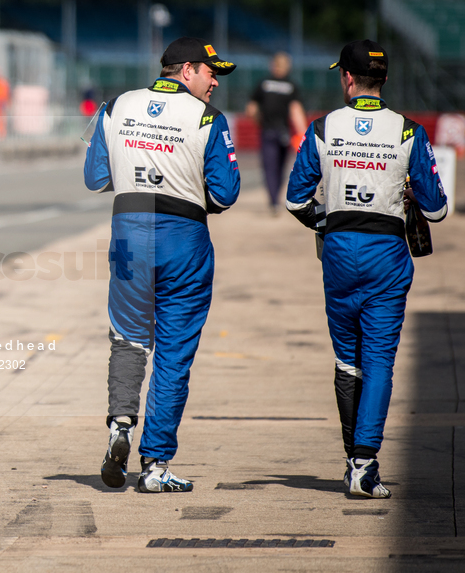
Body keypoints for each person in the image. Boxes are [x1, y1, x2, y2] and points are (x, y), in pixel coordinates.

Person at [285, 40, 448, 498]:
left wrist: (332, 222)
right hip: (387, 255)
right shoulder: (408, 131)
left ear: (347, 79)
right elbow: (437, 211)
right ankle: (363, 462)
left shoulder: (322, 127)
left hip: (338, 251)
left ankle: (351, 458)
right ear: (386, 81)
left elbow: (295, 200)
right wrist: (411, 195)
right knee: (378, 361)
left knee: (346, 359)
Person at [83, 37, 240, 492]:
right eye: (212, 73)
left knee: (128, 336)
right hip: (183, 239)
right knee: (173, 352)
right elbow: (225, 194)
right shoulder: (208, 118)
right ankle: (154, 466)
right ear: (187, 70)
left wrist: (137, 165)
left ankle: (120, 426)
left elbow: (95, 178)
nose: (214, 83)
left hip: (129, 231)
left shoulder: (116, 106)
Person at [246, 52, 307, 213]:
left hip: (267, 131)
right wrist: (303, 134)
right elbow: (296, 111)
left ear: (273, 65)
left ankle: (273, 200)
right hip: (284, 132)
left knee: (269, 167)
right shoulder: (291, 85)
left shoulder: (264, 83)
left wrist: (259, 122)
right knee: (280, 167)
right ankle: (276, 198)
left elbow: (251, 109)